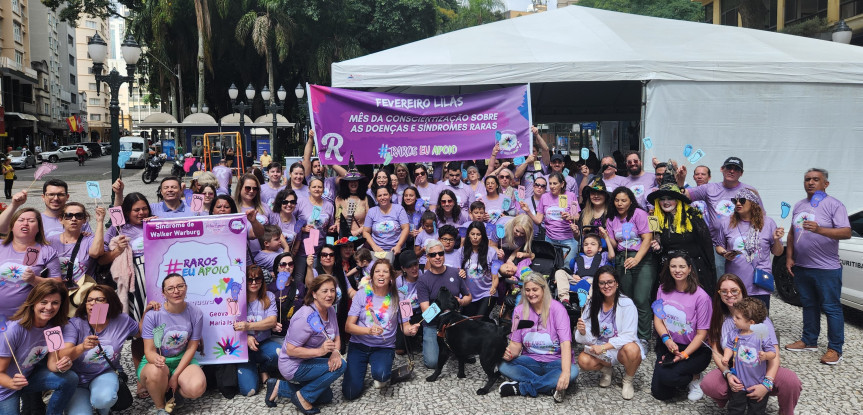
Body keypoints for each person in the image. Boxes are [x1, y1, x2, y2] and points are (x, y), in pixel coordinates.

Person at [702, 274, 802, 415]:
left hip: (759, 369)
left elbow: (774, 354)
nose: (729, 294)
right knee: (709, 384)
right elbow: (716, 352)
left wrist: (767, 383)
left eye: (734, 290)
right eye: (724, 291)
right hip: (736, 369)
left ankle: (786, 412)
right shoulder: (719, 319)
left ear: (742, 290)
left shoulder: (757, 320)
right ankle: (731, 399)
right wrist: (728, 374)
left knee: (791, 381)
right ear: (719, 294)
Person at [784, 168, 851, 365]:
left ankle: (835, 348)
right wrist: (789, 257)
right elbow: (791, 233)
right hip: (803, 266)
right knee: (809, 305)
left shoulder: (834, 205)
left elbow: (846, 232)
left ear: (825, 184)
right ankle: (809, 340)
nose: (811, 183)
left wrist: (820, 229)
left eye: (816, 179)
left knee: (831, 308)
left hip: (827, 268)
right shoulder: (799, 205)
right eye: (807, 180)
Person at [267, 274, 345, 414]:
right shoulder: (305, 317)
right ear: (314, 294)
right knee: (342, 366)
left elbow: (337, 336)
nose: (330, 295)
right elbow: (291, 350)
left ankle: (279, 386)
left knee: (326, 397)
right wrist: (320, 352)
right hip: (293, 364)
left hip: (308, 360)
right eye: (325, 291)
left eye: (332, 290)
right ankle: (303, 397)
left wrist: (335, 353)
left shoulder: (330, 310)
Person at [342, 259, 418, 399]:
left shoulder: (401, 296)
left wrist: (411, 329)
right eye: (377, 271)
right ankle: (358, 368)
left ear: (391, 276)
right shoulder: (361, 294)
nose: (381, 275)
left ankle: (381, 369)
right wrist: (368, 331)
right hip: (359, 345)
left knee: (382, 375)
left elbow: (405, 327)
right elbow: (348, 326)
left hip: (384, 346)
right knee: (350, 393)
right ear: (372, 276)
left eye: (385, 271)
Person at [0, 281, 78, 415]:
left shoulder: (54, 327)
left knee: (70, 378)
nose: (49, 307)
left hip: (28, 378)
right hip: (5, 389)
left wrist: (62, 365)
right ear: (33, 302)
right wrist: (12, 383)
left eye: (55, 303)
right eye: (43, 302)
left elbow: (53, 364)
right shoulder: (13, 330)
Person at [60, 285, 139, 415]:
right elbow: (63, 355)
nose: (93, 303)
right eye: (89, 300)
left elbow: (141, 333)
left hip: (104, 372)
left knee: (103, 400)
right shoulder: (74, 324)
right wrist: (82, 347)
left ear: (109, 302)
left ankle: (104, 411)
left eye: (99, 300)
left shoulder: (122, 320)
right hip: (77, 379)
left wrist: (149, 313)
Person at [499, 272, 577, 403]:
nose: (531, 293)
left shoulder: (558, 309)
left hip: (555, 362)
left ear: (543, 289)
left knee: (573, 371)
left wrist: (565, 373)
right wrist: (508, 354)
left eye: (535, 289)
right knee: (501, 364)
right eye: (527, 290)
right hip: (530, 361)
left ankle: (522, 387)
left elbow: (565, 344)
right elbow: (515, 344)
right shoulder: (518, 311)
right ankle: (549, 386)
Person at [678, 157, 761, 277]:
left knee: (742, 281)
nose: (732, 171)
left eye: (736, 169)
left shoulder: (749, 191)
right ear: (722, 169)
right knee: (720, 279)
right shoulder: (710, 188)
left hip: (742, 245)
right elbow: (684, 196)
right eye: (729, 167)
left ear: (741, 173)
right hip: (717, 245)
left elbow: (760, 216)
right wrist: (681, 181)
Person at [139, 274, 207, 414]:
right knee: (156, 372)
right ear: (163, 293)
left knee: (197, 388)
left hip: (181, 359)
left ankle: (175, 395)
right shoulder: (153, 315)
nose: (176, 291)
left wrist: (175, 375)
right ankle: (160, 407)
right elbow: (149, 351)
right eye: (170, 288)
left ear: (186, 288)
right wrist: (156, 360)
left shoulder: (196, 313)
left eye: (180, 286)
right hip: (156, 361)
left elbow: (192, 346)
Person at [574, 266, 643, 400]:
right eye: (602, 283)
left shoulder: (627, 304)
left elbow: (629, 335)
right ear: (597, 285)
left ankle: (628, 380)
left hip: (620, 348)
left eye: (610, 282)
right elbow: (589, 338)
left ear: (616, 283)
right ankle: (607, 370)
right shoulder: (592, 304)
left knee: (633, 350)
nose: (606, 286)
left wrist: (604, 347)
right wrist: (582, 331)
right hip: (601, 349)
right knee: (583, 360)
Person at [651, 253, 712, 402]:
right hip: (670, 344)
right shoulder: (662, 289)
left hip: (695, 349)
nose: (677, 270)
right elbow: (658, 320)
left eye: (682, 266)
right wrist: (666, 341)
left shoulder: (701, 297)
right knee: (660, 393)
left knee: (669, 377)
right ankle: (679, 376)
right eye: (673, 266)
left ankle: (695, 377)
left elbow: (701, 334)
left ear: (690, 269)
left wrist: (683, 355)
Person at [715, 188, 784, 309]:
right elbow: (719, 246)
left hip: (759, 284)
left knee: (758, 324)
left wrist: (777, 239)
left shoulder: (768, 223)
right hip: (735, 284)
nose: (737, 203)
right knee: (735, 322)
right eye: (734, 200)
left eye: (742, 200)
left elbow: (778, 252)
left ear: (753, 203)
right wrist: (724, 253)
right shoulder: (726, 223)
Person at [647, 178, 716, 294]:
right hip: (671, 271)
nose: (666, 202)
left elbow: (706, 244)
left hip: (694, 269)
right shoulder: (656, 219)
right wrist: (658, 248)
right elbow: (659, 249)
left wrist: (710, 271)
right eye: (662, 199)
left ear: (678, 200)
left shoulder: (693, 215)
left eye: (670, 198)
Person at [605, 187, 654, 341]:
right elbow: (614, 243)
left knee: (641, 298)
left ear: (631, 201)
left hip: (642, 258)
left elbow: (647, 238)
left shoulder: (639, 214)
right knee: (627, 299)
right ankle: (629, 335)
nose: (620, 203)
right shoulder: (610, 219)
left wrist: (637, 259)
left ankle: (644, 338)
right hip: (622, 258)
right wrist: (605, 236)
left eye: (624, 200)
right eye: (617, 200)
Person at [416, 240, 472, 369]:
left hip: (454, 322)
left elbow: (469, 297)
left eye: (440, 253)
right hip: (433, 325)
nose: (437, 257)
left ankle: (452, 345)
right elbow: (426, 313)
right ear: (427, 257)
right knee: (432, 363)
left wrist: (462, 302)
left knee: (469, 353)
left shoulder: (455, 272)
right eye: (433, 254)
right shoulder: (423, 280)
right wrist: (445, 304)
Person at [0, 208, 61, 318]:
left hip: (27, 317)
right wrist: (14, 204)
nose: (25, 223)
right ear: (11, 226)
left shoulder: (47, 251)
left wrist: (34, 279)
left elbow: (58, 284)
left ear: (39, 228)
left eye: (31, 221)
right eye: (21, 220)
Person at [719, 298, 776, 415]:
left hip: (758, 382)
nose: (734, 319)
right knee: (735, 409)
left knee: (757, 410)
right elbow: (729, 347)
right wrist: (726, 357)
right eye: (734, 316)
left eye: (738, 318)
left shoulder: (761, 335)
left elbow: (773, 353)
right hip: (739, 382)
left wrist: (765, 355)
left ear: (751, 322)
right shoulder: (734, 333)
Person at [47, 203, 106, 311]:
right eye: (69, 215)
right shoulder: (50, 241)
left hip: (84, 298)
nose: (73, 219)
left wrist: (100, 222)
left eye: (79, 216)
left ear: (84, 220)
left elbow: (96, 252)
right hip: (56, 296)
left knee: (96, 324)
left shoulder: (89, 239)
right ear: (61, 219)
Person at [234, 265, 279, 397]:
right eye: (249, 279)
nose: (254, 283)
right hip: (242, 349)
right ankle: (253, 369)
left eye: (257, 279)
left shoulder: (268, 296)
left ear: (262, 280)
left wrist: (248, 327)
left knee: (279, 353)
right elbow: (230, 325)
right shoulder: (236, 299)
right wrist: (246, 337)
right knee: (249, 391)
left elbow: (272, 321)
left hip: (263, 344)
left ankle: (263, 369)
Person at [521, 172, 580, 267]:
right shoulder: (545, 197)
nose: (552, 186)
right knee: (550, 267)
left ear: (562, 184)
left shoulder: (571, 196)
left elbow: (577, 217)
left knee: (567, 268)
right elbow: (538, 221)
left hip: (568, 240)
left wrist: (570, 216)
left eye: (555, 183)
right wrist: (528, 211)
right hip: (550, 240)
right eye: (550, 183)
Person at [0, 179, 92, 238]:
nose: (55, 198)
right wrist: (14, 205)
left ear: (67, 196)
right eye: (51, 194)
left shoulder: (77, 218)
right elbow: (2, 229)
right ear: (43, 196)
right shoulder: (34, 220)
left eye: (60, 194)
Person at [554, 232, 614, 303]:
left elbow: (612, 255)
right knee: (559, 272)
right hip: (578, 280)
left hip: (594, 281)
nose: (589, 246)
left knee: (594, 283)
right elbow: (575, 273)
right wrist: (573, 276)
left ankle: (589, 302)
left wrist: (606, 238)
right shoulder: (579, 258)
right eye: (586, 245)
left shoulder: (603, 256)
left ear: (600, 248)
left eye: (593, 244)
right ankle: (565, 299)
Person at [460, 222, 499, 319]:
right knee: (469, 322)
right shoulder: (462, 251)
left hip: (486, 293)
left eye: (478, 234)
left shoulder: (491, 252)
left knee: (479, 320)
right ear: (468, 235)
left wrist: (493, 287)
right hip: (469, 295)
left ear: (483, 236)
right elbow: (457, 270)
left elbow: (495, 276)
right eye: (472, 234)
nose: (475, 237)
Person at [363, 185, 410, 262]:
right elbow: (366, 231)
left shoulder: (399, 208)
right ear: (376, 198)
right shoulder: (372, 211)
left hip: (397, 251)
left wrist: (399, 245)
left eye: (385, 194)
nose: (382, 197)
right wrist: (374, 247)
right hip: (378, 252)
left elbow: (406, 228)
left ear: (390, 195)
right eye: (379, 196)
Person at [112, 177, 192, 219]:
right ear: (161, 191)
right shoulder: (151, 209)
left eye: (173, 187)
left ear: (181, 190)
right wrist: (119, 194)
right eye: (166, 187)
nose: (170, 190)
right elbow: (118, 217)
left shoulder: (193, 207)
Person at [334, 162, 370, 238]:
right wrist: (343, 232)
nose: (353, 183)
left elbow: (369, 221)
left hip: (361, 237)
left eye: (356, 180)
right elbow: (337, 220)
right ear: (346, 183)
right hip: (344, 238)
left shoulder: (365, 199)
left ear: (359, 182)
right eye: (350, 181)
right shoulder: (339, 199)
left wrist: (356, 232)